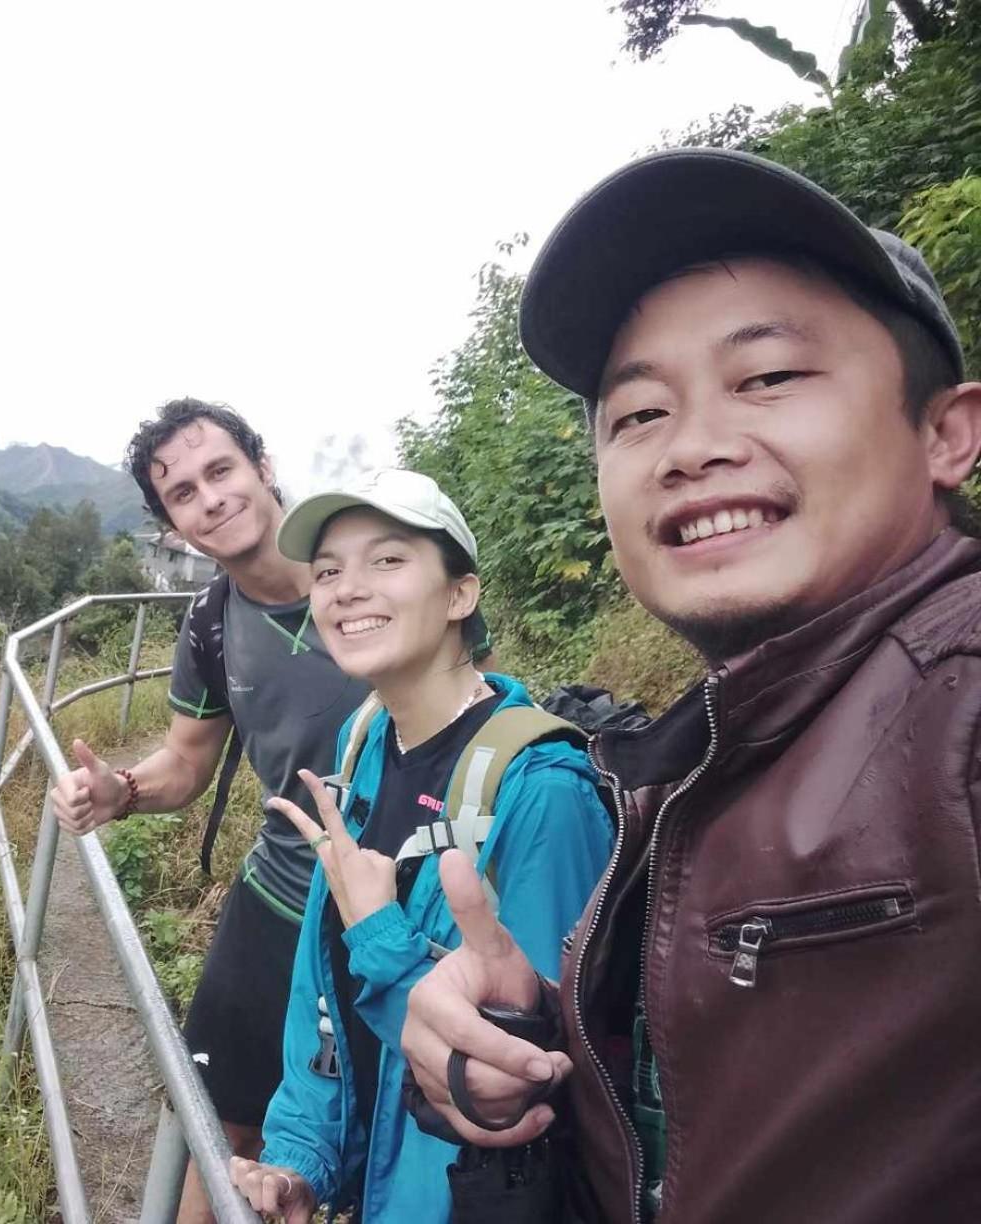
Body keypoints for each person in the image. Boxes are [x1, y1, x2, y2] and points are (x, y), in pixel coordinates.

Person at [398, 148, 981, 1223]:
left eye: (768, 378)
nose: (693, 447)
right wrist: (526, 1043)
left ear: (946, 432)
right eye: (639, 415)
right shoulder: (705, 753)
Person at [225, 468, 613, 1221]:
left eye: (388, 560)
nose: (346, 588)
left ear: (459, 595)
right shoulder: (363, 737)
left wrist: (381, 934)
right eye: (329, 571)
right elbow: (321, 992)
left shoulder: (543, 793)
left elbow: (526, 1077)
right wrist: (301, 1161)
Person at [50, 398, 371, 1222]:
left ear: (262, 467)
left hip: (406, 908)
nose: (210, 498)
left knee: (387, 1142)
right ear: (173, 525)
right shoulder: (210, 622)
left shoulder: (373, 560)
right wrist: (120, 791)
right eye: (183, 493)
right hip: (276, 902)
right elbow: (187, 761)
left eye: (220, 470)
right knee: (219, 1121)